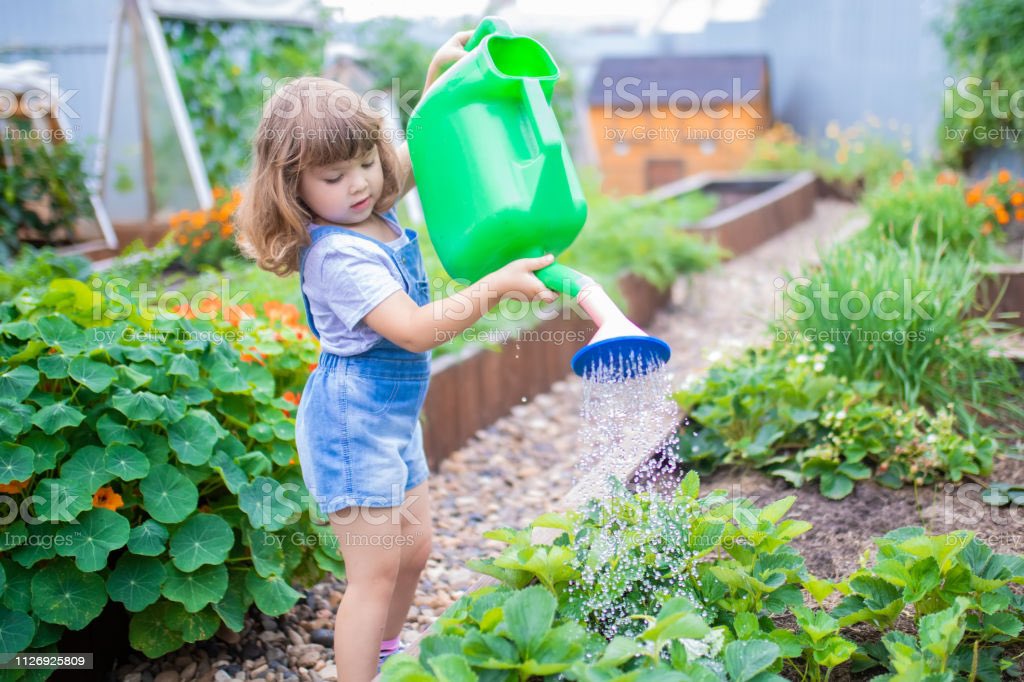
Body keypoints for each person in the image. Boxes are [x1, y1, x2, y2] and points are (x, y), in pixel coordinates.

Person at [234, 31, 558, 682]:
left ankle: (382, 658)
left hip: (391, 420)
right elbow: (411, 330)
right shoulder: (337, 254)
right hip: (352, 428)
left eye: (364, 163)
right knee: (374, 571)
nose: (358, 184)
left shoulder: (370, 200)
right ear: (294, 188)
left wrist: (443, 78)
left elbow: (419, 154)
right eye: (334, 176)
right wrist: (492, 289)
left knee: (415, 554)